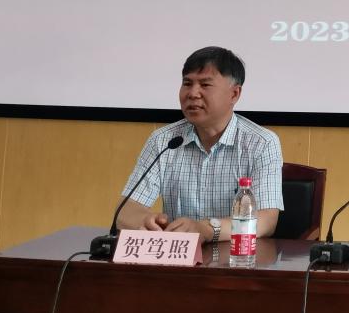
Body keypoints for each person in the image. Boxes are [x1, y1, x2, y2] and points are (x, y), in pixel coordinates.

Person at [116, 46, 283, 242]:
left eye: (205, 85)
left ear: (234, 94)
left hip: (236, 256)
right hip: (177, 255)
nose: (193, 93)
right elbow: (125, 211)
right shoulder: (164, 140)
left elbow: (265, 221)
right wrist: (147, 221)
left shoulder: (261, 143)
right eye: (187, 83)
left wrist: (206, 229)